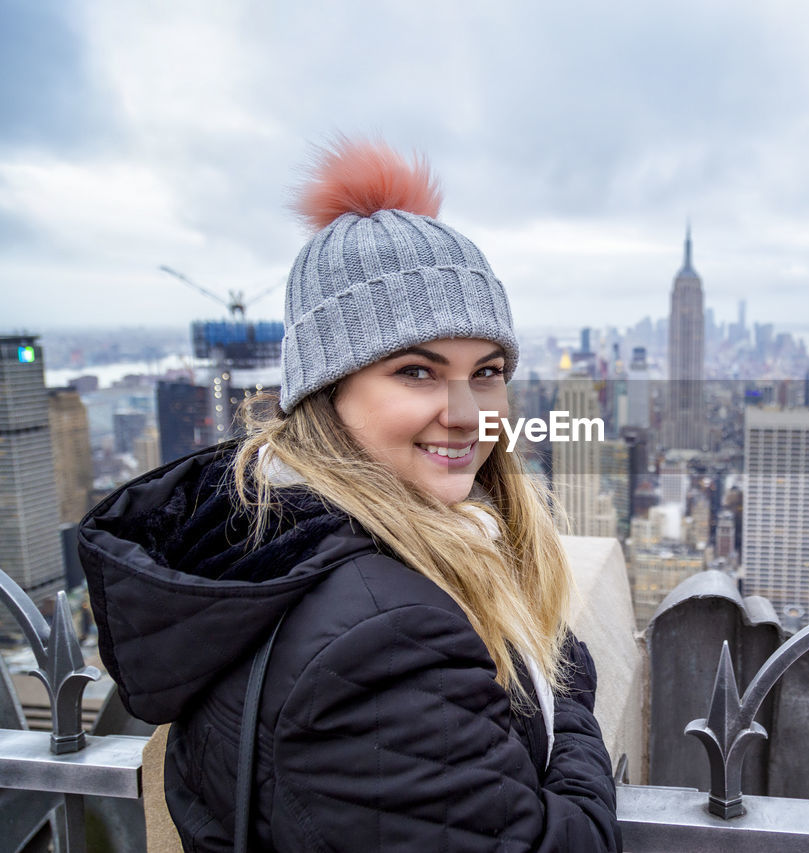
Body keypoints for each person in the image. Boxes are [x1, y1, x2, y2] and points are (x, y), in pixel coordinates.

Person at [78, 138, 622, 851]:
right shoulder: (384, 640)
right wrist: (565, 694)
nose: (465, 409)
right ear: (327, 393)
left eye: (486, 370)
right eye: (417, 372)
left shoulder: (263, 541)